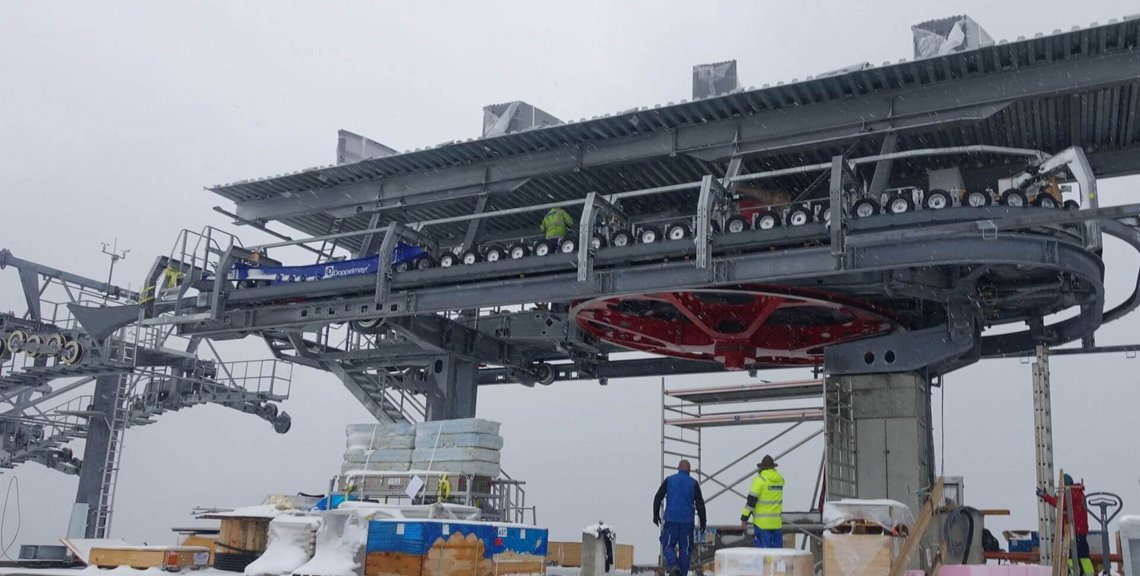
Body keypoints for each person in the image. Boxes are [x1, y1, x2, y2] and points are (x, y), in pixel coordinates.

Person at [653, 459, 707, 576]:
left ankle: (673, 566)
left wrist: (655, 514)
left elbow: (658, 497)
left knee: (667, 544)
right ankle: (681, 573)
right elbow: (700, 504)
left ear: (678, 468)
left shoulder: (669, 480)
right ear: (689, 471)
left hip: (671, 519)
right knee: (686, 548)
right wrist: (703, 521)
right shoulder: (693, 483)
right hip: (687, 522)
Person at [1038, 473, 1094, 575]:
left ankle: (1079, 573)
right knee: (1080, 556)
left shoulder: (1071, 493)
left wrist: (1045, 496)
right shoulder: (1078, 492)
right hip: (1079, 530)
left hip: (1075, 531)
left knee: (1076, 556)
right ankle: (1085, 573)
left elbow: (1060, 505)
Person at [741, 455, 784, 548]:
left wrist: (744, 518)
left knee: (763, 555)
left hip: (762, 524)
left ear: (761, 468)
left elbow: (751, 502)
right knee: (777, 556)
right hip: (776, 523)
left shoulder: (759, 481)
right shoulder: (780, 479)